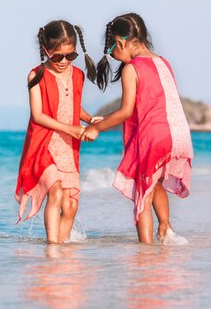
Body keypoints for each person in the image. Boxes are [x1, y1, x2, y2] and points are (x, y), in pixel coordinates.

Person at [81, 13, 193, 244]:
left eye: (112, 49)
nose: (113, 56)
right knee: (156, 181)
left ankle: (146, 248)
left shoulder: (132, 68)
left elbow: (126, 111)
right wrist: (106, 118)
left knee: (143, 191)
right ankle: (165, 228)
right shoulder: (163, 62)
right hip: (178, 134)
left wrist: (97, 128)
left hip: (154, 136)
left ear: (120, 42)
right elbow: (153, 104)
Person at [15, 20, 101, 244]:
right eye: (57, 57)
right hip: (44, 144)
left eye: (70, 56)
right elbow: (38, 115)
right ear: (46, 51)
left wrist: (90, 119)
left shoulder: (78, 76)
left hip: (68, 147)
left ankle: (61, 249)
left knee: (71, 204)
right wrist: (71, 129)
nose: (64, 61)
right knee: (56, 192)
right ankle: (52, 248)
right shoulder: (36, 75)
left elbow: (71, 105)